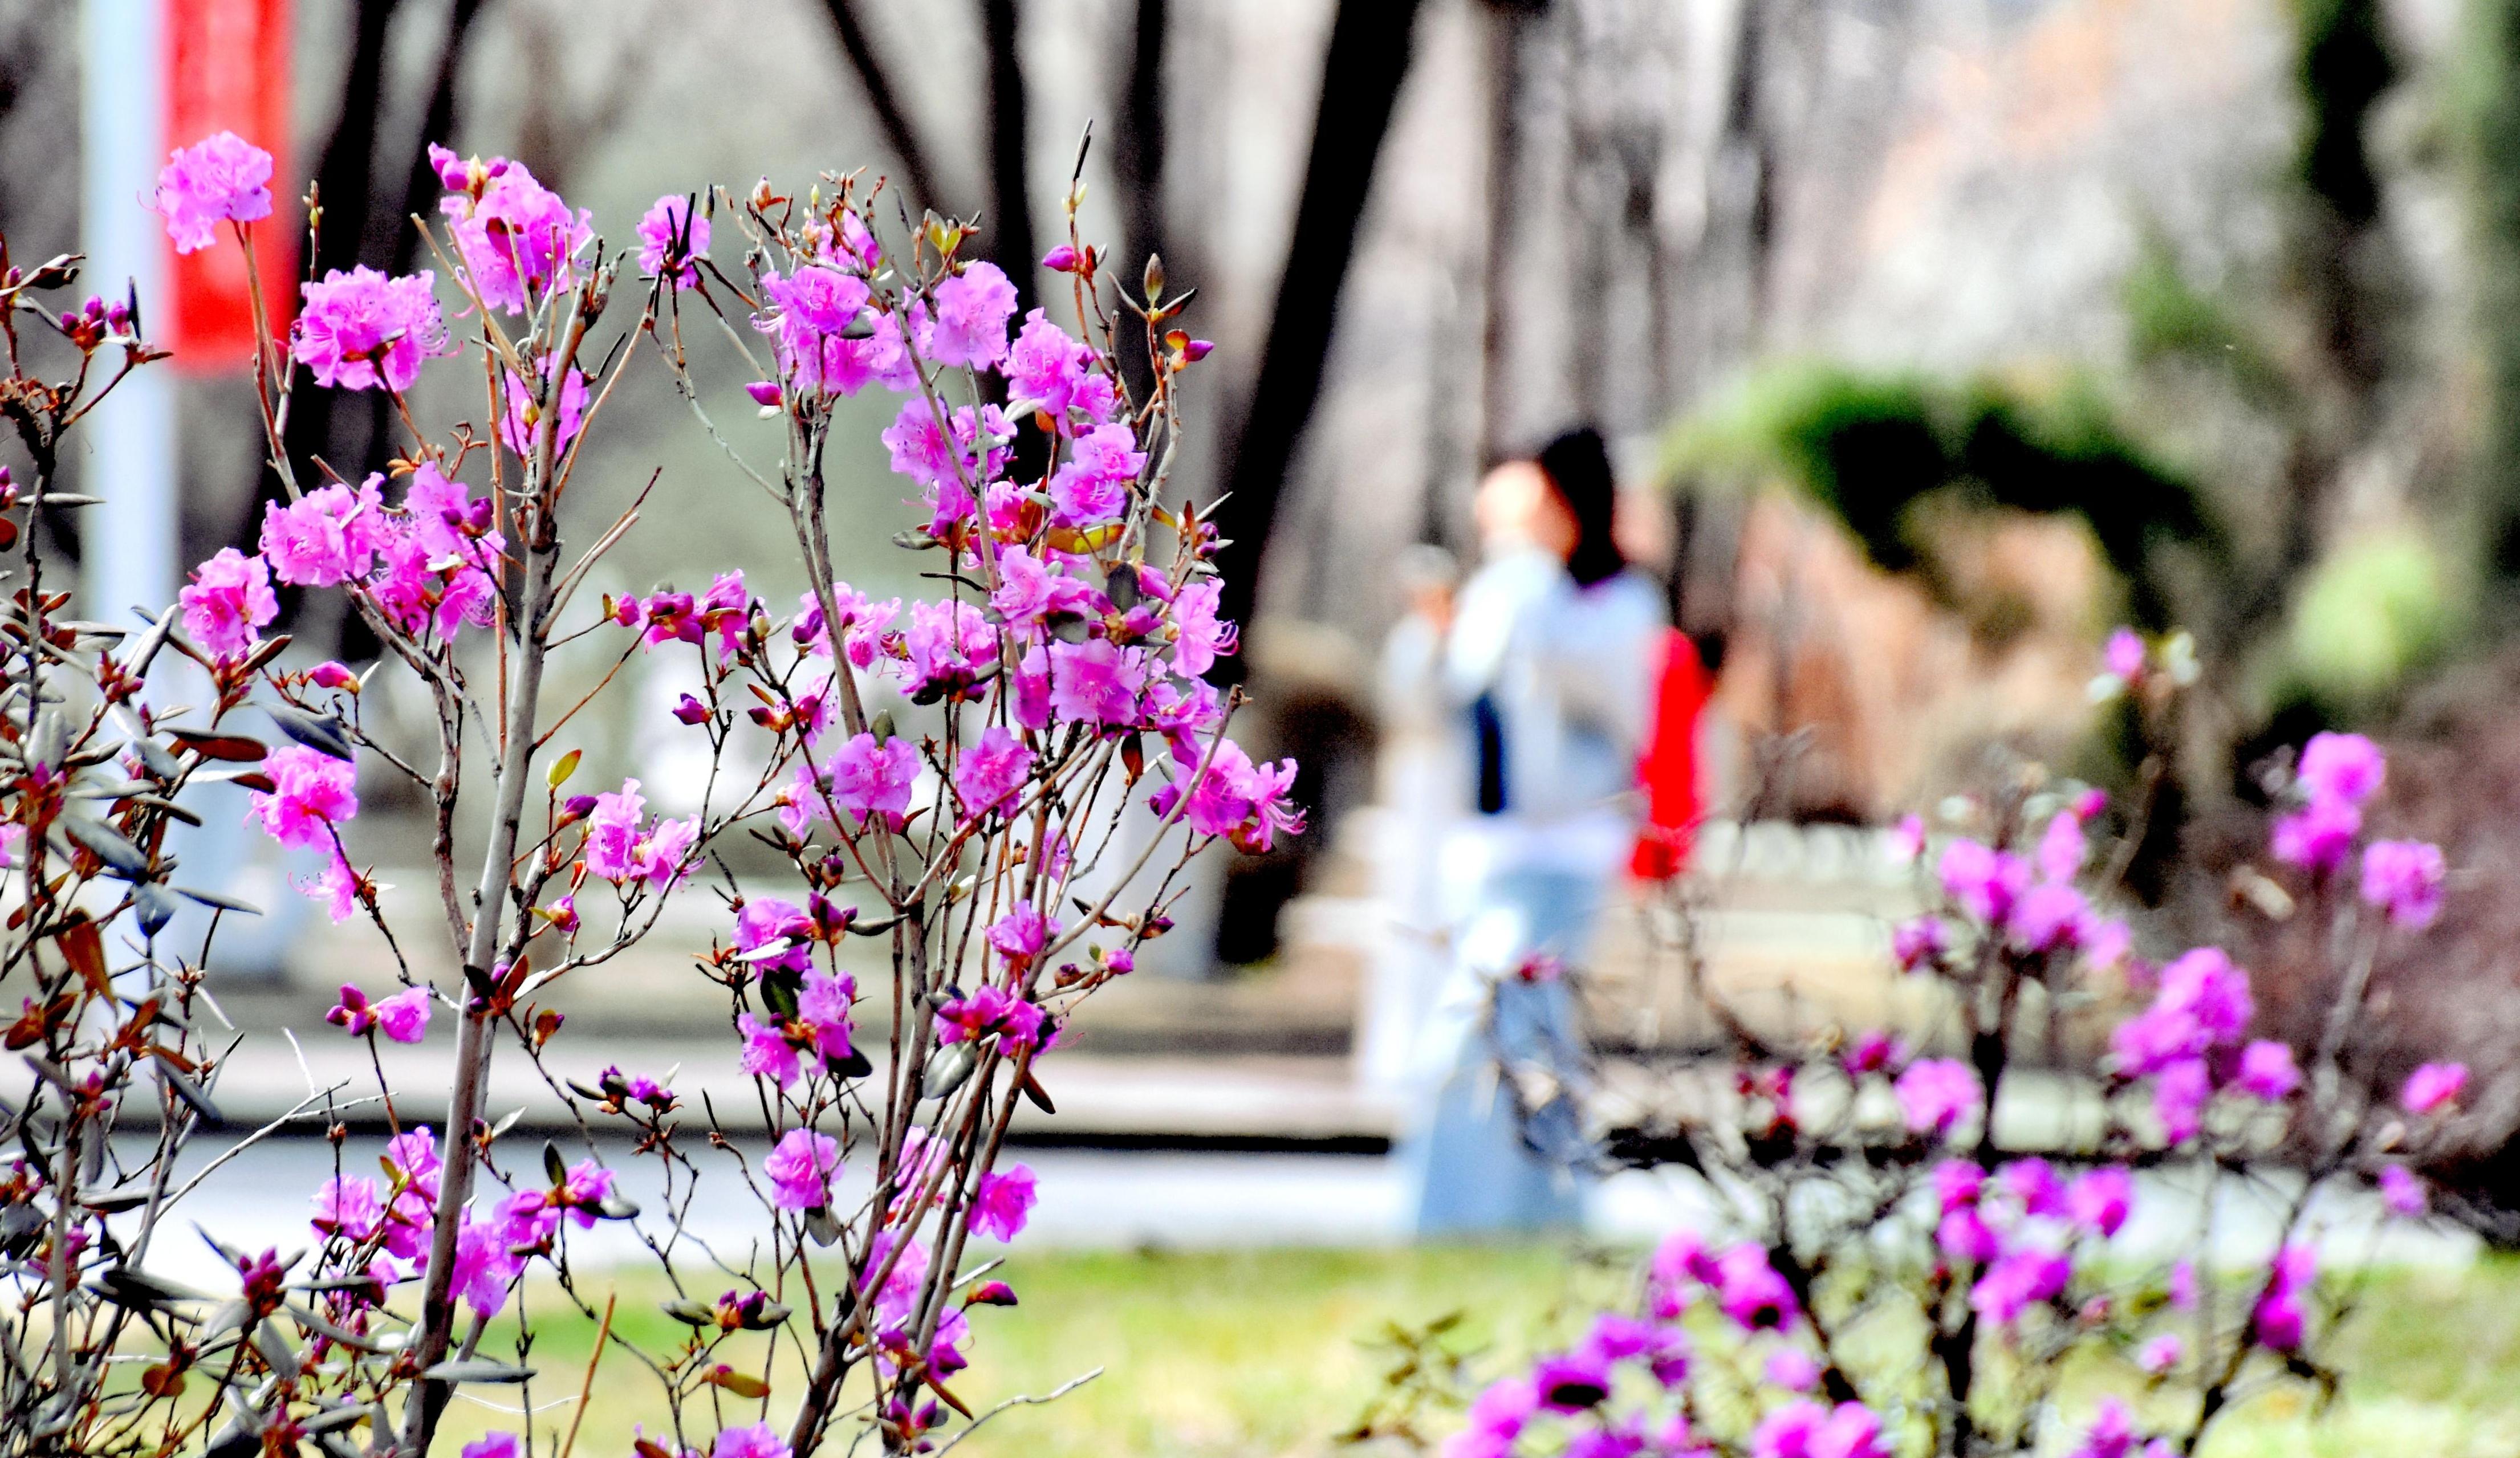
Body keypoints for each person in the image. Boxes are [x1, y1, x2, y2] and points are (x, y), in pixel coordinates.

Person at [1399, 426, 1667, 1236]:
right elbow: (1438, 700)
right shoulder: (1512, 588)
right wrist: (1438, 629)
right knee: (1503, 1039)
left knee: (1508, 1033)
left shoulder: (1618, 601)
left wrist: (1524, 588)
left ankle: (1514, 1215)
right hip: (1491, 851)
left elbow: (1607, 703)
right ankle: (1504, 1216)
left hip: (1569, 855)